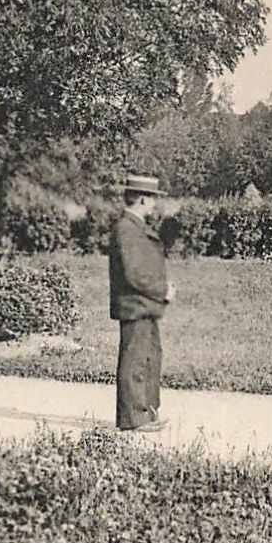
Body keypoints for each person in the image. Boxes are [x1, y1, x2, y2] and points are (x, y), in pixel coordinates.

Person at [109, 173, 172, 433]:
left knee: (149, 356)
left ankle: (146, 412)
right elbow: (134, 274)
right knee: (135, 360)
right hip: (136, 304)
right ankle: (133, 419)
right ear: (143, 199)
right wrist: (162, 290)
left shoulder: (133, 226)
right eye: (154, 199)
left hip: (143, 304)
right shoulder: (126, 228)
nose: (156, 204)